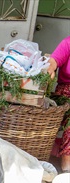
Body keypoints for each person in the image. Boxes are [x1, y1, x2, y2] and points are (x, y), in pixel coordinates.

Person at [47, 36, 70, 173]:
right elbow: (53, 61)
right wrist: (49, 69)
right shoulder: (68, 42)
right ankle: (67, 167)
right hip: (66, 91)